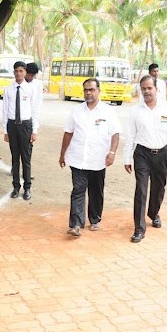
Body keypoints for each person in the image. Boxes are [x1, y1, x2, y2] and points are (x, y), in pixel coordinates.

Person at [123, 75, 167, 243]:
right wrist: (127, 158)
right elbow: (131, 135)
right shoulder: (135, 110)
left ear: (156, 89)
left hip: (162, 154)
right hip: (142, 154)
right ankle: (139, 229)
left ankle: (153, 213)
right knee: (141, 190)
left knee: (159, 188)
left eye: (150, 88)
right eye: (144, 88)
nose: (147, 91)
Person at [59, 78, 121, 236]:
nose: (89, 93)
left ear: (99, 91)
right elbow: (68, 133)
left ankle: (94, 219)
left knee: (96, 191)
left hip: (98, 160)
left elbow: (115, 134)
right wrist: (62, 154)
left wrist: (112, 153)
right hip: (78, 158)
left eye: (92, 89)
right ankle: (76, 224)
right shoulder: (76, 111)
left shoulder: (108, 111)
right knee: (78, 190)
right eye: (86, 90)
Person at [1, 61, 40, 201]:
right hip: (12, 126)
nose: (18, 73)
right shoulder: (8, 89)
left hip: (26, 126)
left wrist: (34, 130)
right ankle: (16, 187)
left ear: (25, 72)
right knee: (15, 158)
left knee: (26, 158)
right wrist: (5, 130)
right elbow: (5, 111)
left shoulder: (30, 89)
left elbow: (35, 110)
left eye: (21, 71)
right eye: (16, 71)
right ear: (14, 73)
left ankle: (27, 188)